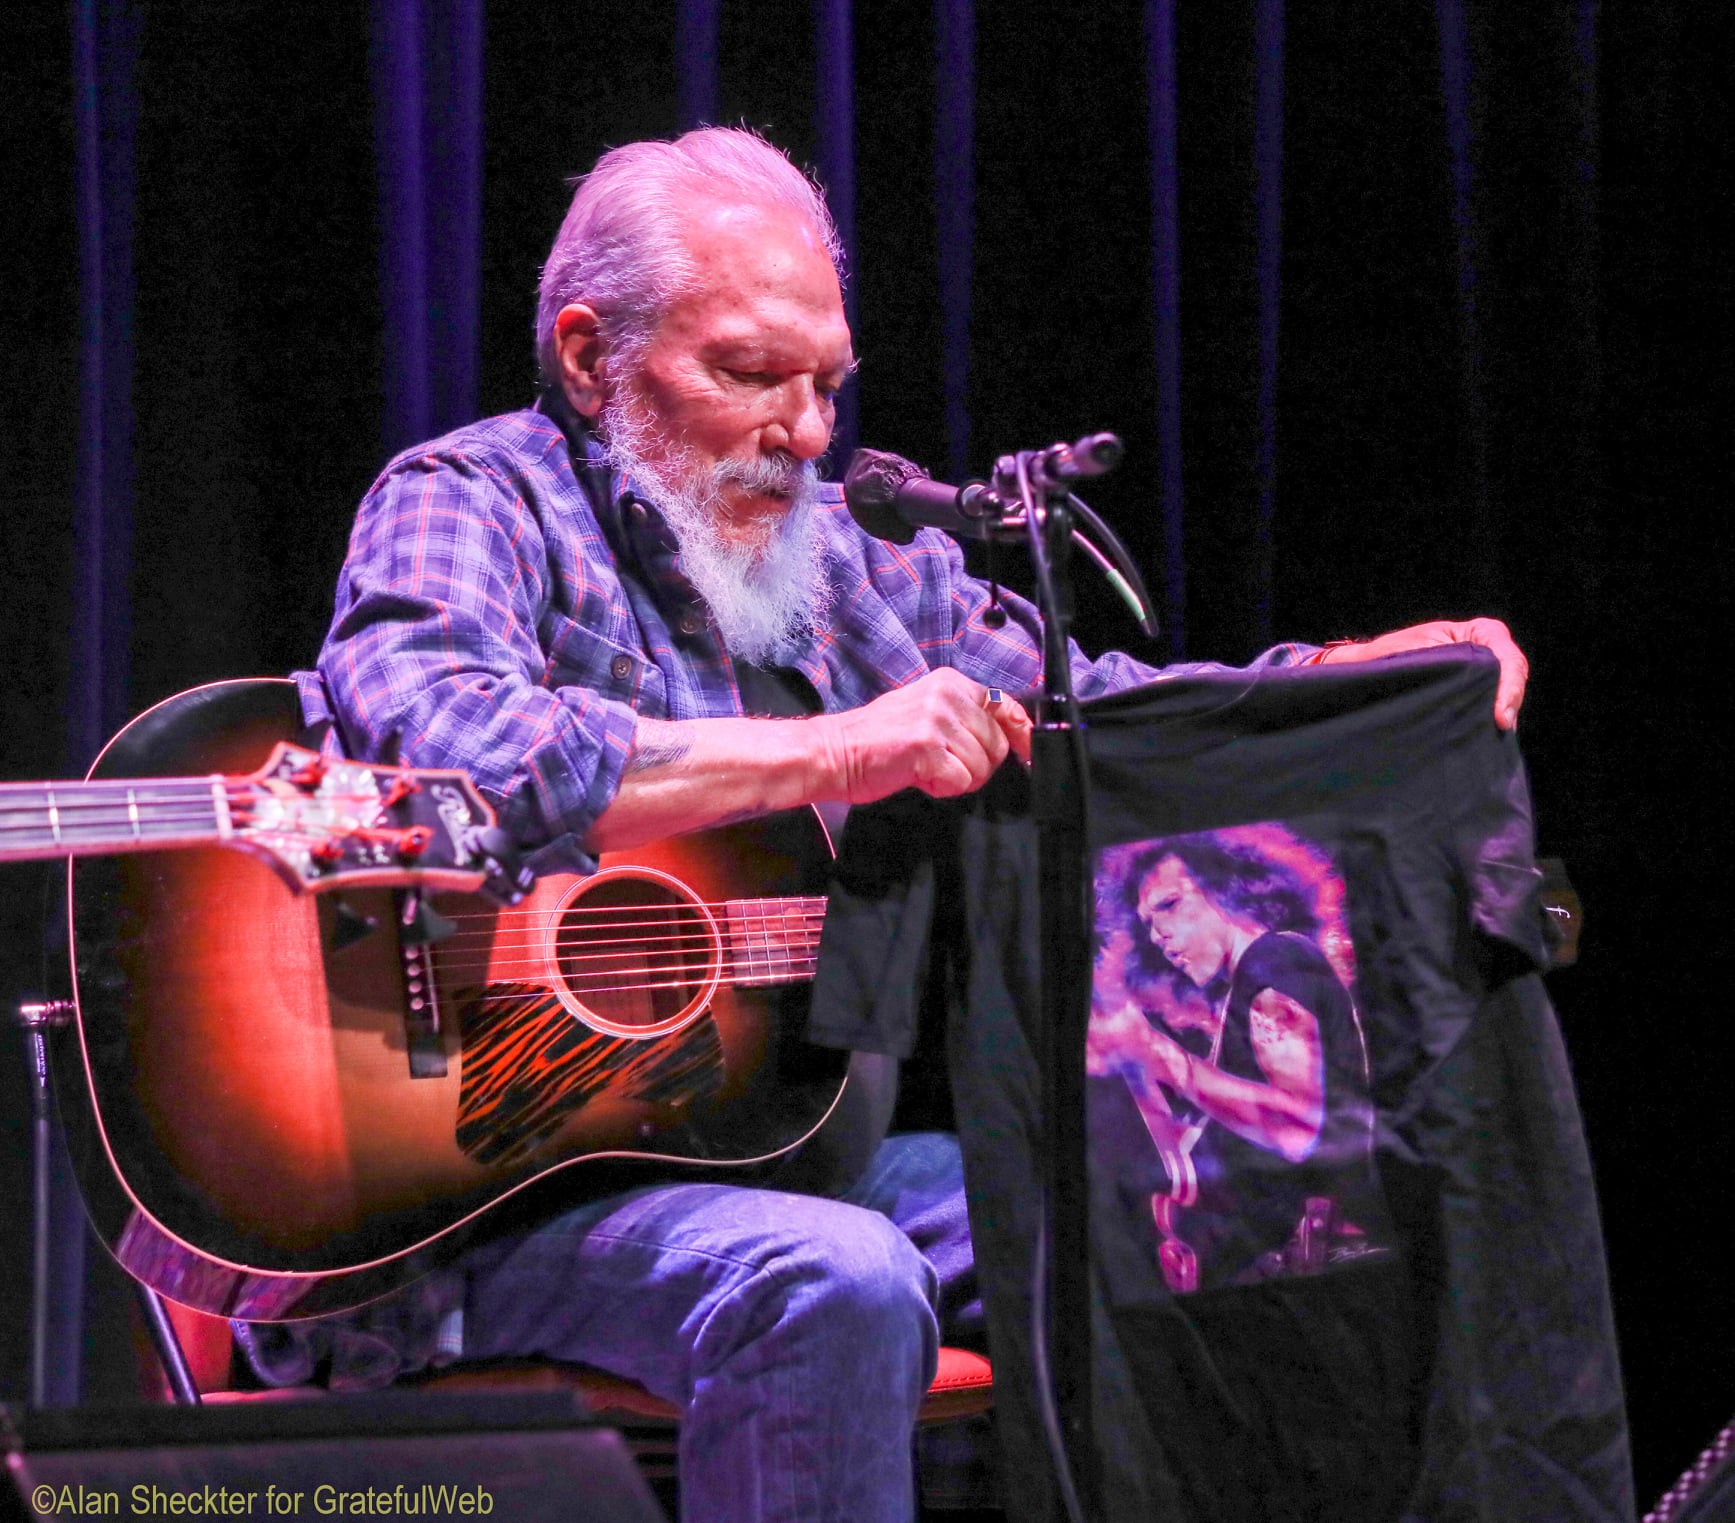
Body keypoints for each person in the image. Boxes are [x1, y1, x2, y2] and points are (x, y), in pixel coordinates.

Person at [297, 126, 1529, 1523]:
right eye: (750, 375)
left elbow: (1106, 723)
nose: (808, 431)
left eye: (826, 383)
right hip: (471, 1200)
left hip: (786, 1160)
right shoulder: (469, 501)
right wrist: (828, 746)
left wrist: (1344, 682)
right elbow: (439, 743)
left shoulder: (841, 569)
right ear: (588, 360)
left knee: (1206, 1205)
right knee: (834, 1275)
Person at [1089, 830, 1391, 1293]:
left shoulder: (1274, 960)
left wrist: (1162, 1056)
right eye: (1148, 921)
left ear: (1227, 890)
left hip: (1321, 1263)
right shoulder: (1254, 983)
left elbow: (1296, 1127)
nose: (1158, 933)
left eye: (1169, 905)